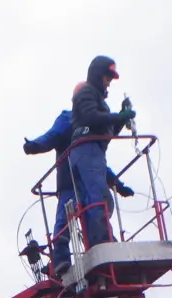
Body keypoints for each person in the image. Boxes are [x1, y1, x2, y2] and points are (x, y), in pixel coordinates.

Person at [26, 105, 134, 275]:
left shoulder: (91, 131)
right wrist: (35, 145)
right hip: (70, 183)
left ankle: (107, 247)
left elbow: (98, 164)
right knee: (64, 220)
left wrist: (118, 185)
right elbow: (52, 136)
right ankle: (61, 259)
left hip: (89, 183)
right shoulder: (68, 120)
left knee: (96, 214)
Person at [69, 56, 137, 248]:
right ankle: (102, 240)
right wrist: (118, 116)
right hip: (86, 149)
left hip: (94, 151)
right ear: (98, 74)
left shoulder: (96, 99)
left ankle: (99, 238)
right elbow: (92, 118)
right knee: (97, 195)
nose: (108, 81)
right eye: (107, 76)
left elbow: (106, 131)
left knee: (102, 196)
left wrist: (121, 120)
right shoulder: (86, 93)